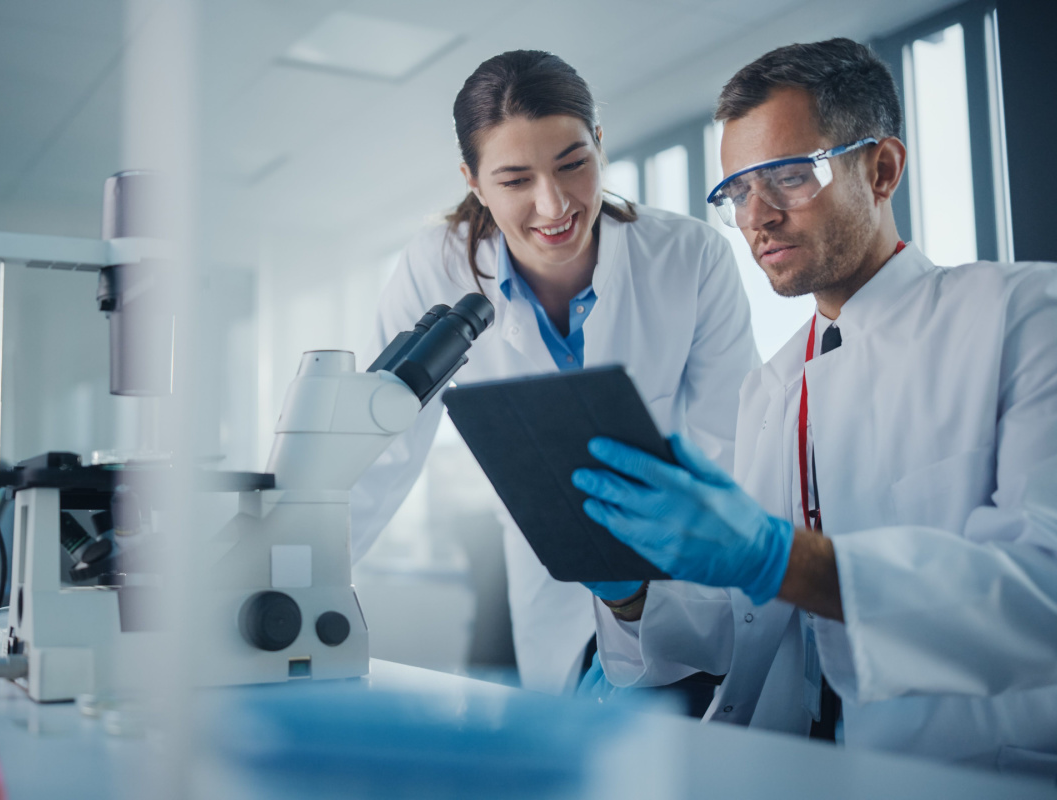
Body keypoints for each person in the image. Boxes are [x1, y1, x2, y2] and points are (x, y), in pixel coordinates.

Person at [571, 38, 1057, 777]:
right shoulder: (769, 386)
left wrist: (782, 557)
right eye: (735, 191)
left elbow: (1042, 595)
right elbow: (752, 623)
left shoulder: (1024, 315)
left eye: (789, 177)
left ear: (883, 168)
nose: (755, 217)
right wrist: (636, 594)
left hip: (962, 771)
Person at [349, 50, 759, 695]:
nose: (553, 204)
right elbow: (378, 448)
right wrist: (290, 577)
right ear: (474, 182)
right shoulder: (437, 266)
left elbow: (731, 450)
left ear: (599, 143)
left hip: (685, 579)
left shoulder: (691, 256)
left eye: (573, 164)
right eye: (514, 180)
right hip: (551, 587)